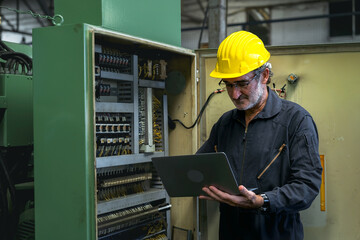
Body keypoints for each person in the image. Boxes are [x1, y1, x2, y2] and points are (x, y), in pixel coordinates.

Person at [197, 31, 323, 240]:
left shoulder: (296, 120)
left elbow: (306, 187)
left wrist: (262, 201)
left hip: (277, 234)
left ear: (264, 75)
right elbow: (200, 165)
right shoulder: (225, 124)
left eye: (242, 84)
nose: (234, 94)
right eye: (228, 85)